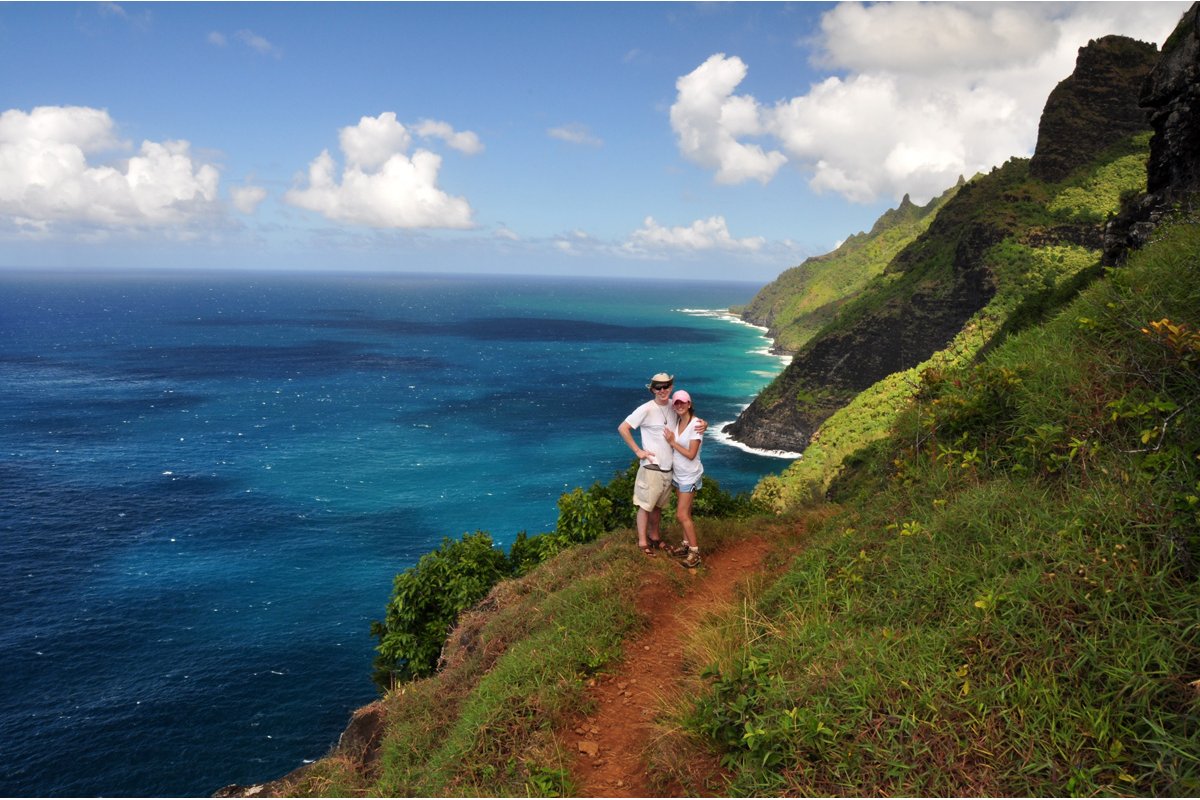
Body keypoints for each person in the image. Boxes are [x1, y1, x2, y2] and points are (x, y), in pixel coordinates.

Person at [617, 372, 705, 556]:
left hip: (668, 468)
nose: (662, 390)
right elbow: (623, 428)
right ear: (652, 390)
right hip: (652, 465)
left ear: (671, 387)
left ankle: (655, 538)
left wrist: (705, 424)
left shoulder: (675, 405)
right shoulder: (646, 409)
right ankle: (643, 543)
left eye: (666, 386)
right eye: (658, 387)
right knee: (645, 505)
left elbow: (689, 419)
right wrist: (638, 451)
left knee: (657, 506)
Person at [663, 389, 703, 568]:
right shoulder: (677, 422)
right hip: (679, 475)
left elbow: (691, 454)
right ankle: (686, 546)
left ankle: (695, 552)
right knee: (685, 513)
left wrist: (672, 443)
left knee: (681, 514)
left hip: (689, 476)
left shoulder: (696, 425)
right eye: (676, 403)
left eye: (682, 402)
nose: (679, 405)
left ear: (689, 404)